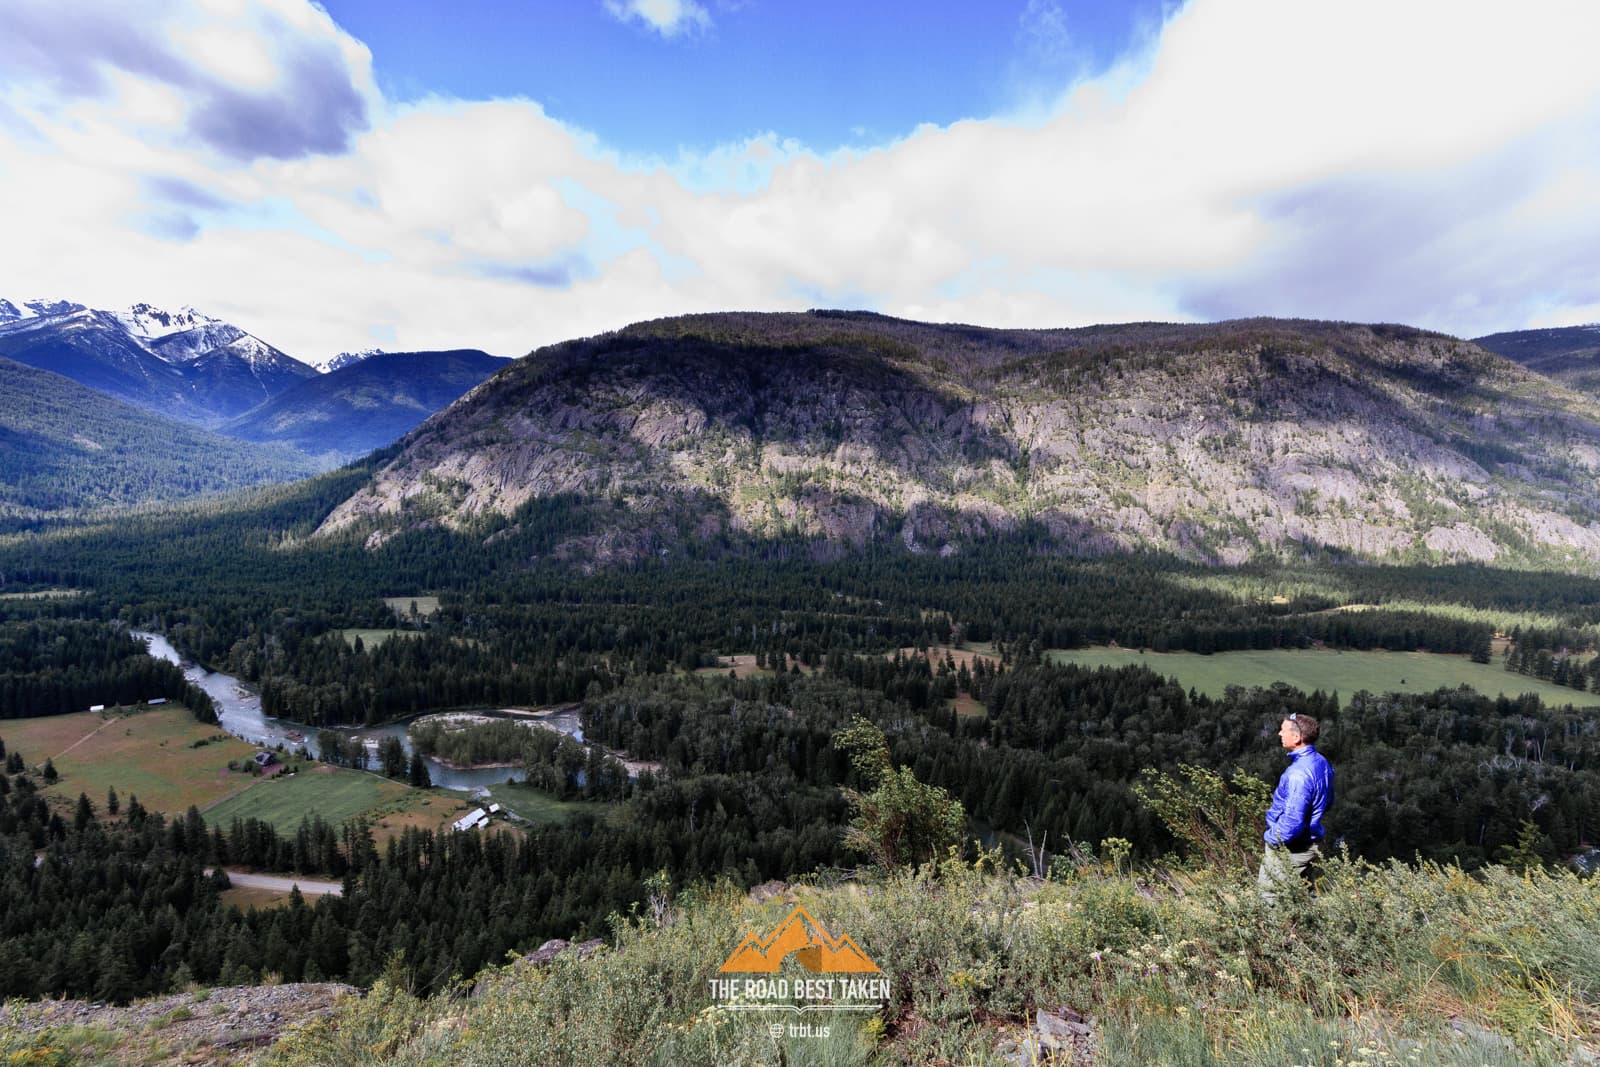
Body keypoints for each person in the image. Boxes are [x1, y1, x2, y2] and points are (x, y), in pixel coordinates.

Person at [1258, 712, 1333, 899]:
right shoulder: (1321, 762)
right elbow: (1329, 801)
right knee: (1304, 899)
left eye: (1283, 730)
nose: (1279, 734)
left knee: (1271, 900)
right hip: (1309, 843)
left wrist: (1271, 838)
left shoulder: (1298, 774)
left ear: (1297, 737)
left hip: (1291, 848)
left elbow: (1293, 822)